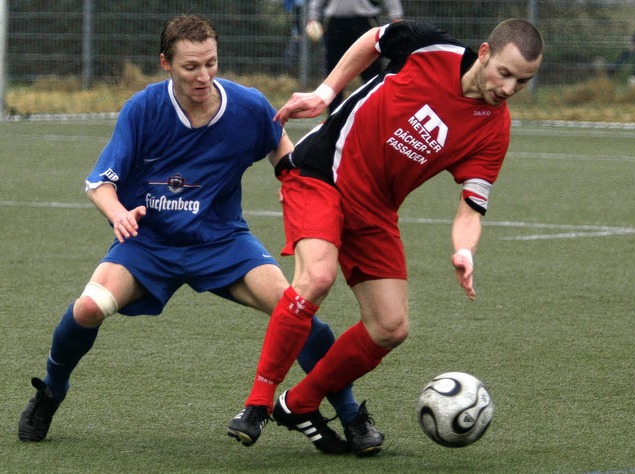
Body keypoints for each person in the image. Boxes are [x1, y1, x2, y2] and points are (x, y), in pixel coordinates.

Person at [17, 13, 381, 455]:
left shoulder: (247, 107)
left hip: (222, 243)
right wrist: (118, 214)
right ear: (166, 63)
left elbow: (289, 165)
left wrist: (312, 209)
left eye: (211, 63)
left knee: (296, 310)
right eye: (191, 66)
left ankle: (350, 415)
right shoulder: (143, 109)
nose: (204, 76)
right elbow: (100, 184)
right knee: (90, 307)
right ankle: (51, 391)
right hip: (149, 244)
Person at [229, 18, 544, 454]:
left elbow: (471, 208)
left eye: (522, 81)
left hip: (376, 209)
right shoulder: (433, 46)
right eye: (504, 73)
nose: (508, 88)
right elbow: (371, 40)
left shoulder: (495, 128)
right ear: (485, 52)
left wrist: (464, 251)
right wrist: (325, 92)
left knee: (390, 327)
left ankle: (299, 403)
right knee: (317, 278)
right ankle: (258, 404)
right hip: (322, 172)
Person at [305, 0, 403, 113]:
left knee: (372, 73)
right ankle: (333, 116)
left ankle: (377, 112)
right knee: (333, 71)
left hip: (365, 22)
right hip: (336, 24)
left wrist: (396, 17)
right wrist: (313, 18)